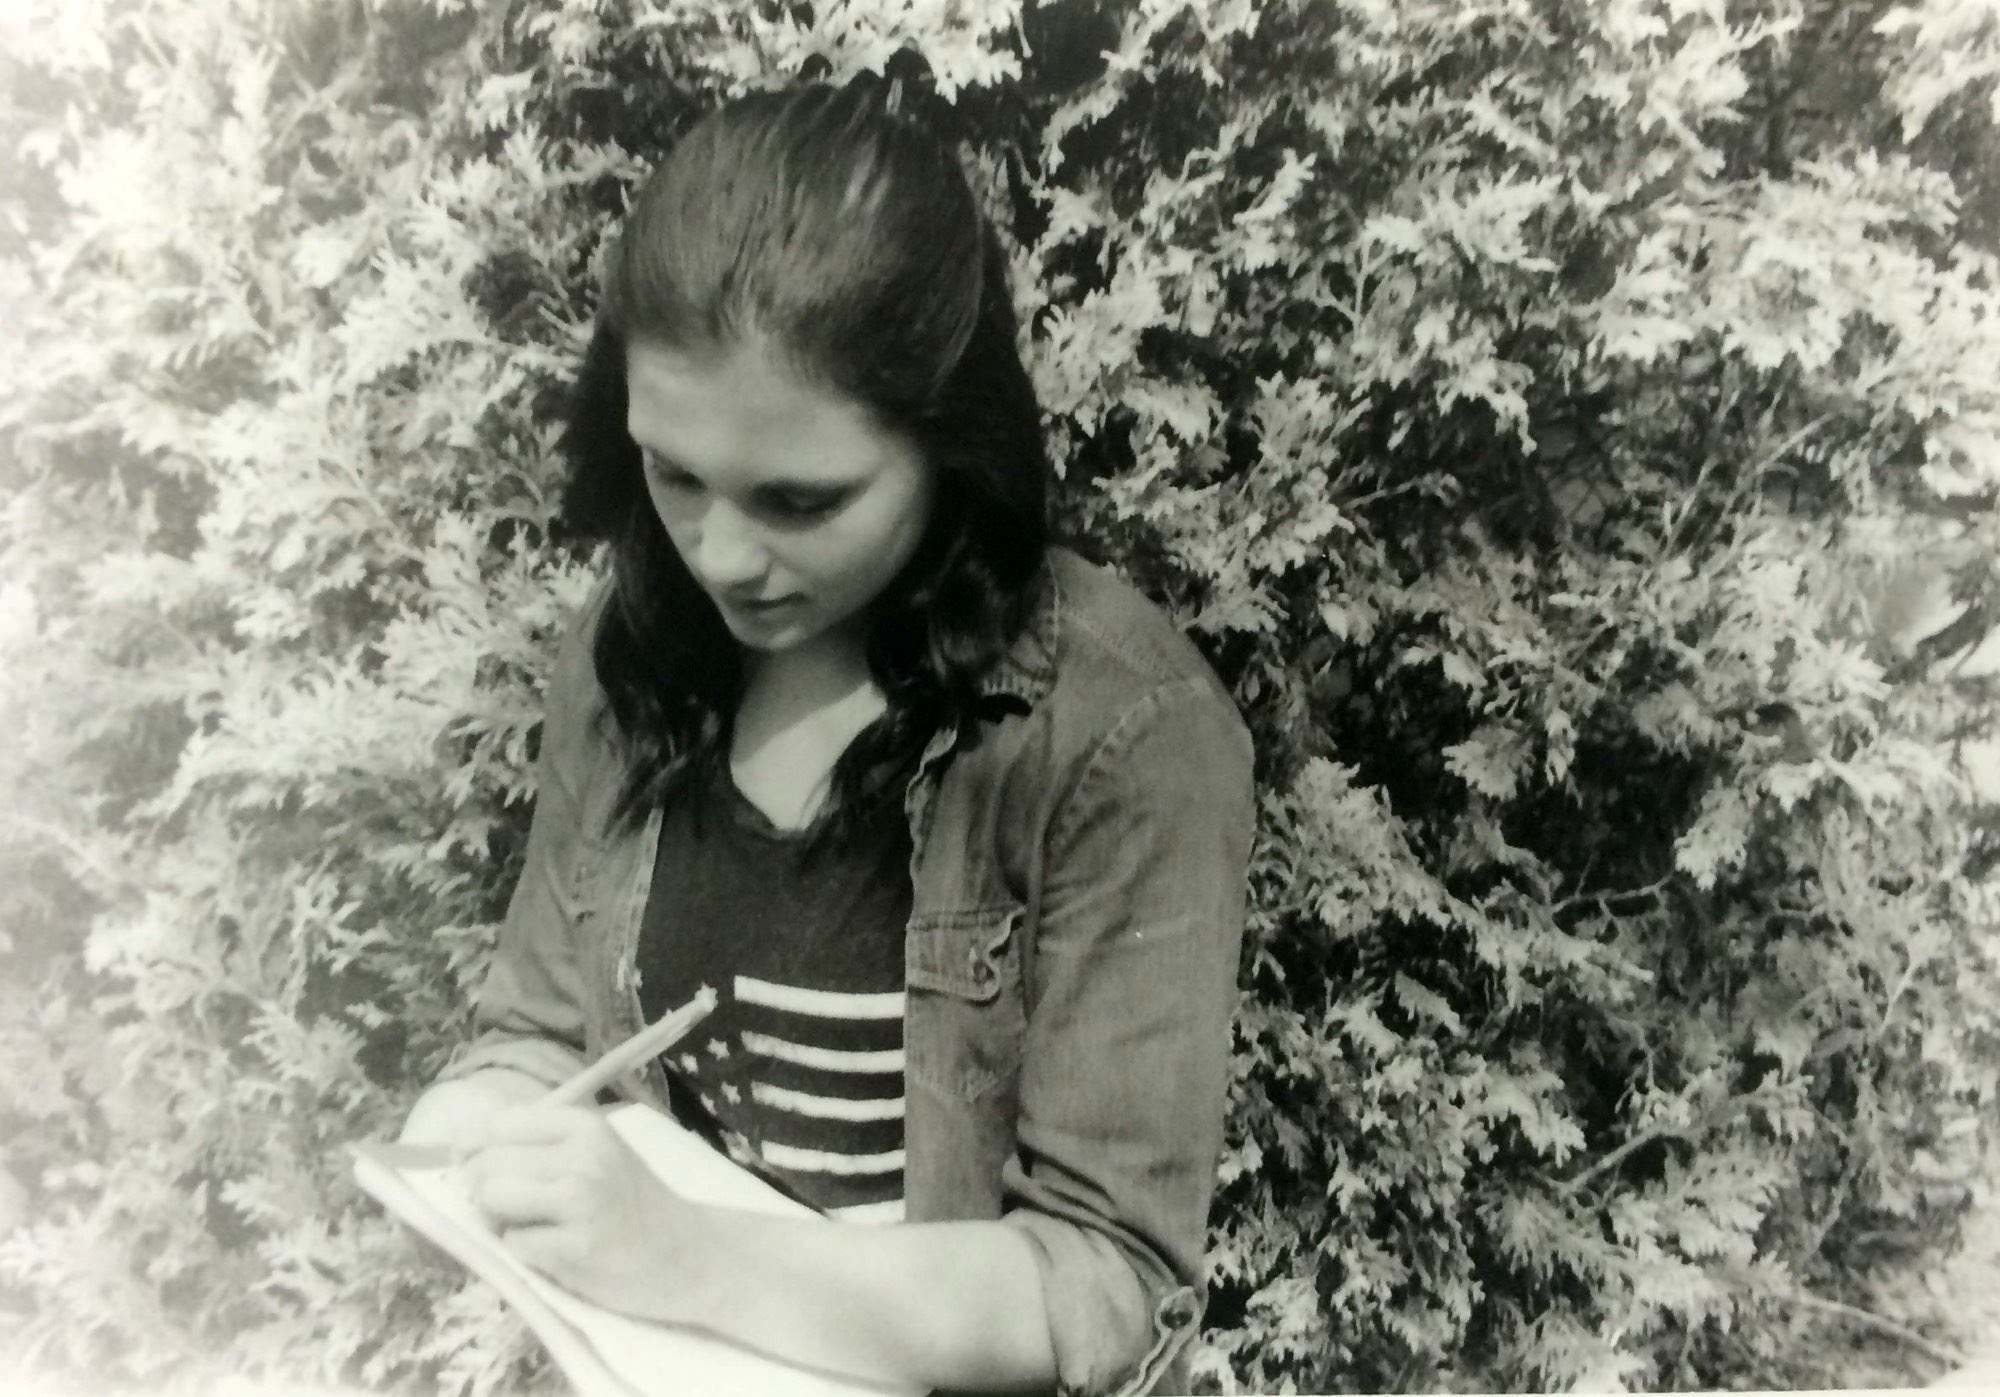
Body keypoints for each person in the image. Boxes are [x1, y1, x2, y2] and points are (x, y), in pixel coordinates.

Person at [398, 79, 1254, 1397]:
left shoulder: (1120, 730)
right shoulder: (636, 653)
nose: (720, 556)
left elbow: (1105, 1279)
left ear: (951, 442)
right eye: (675, 475)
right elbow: (541, 1027)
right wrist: (477, 1126)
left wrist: (692, 1259)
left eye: (800, 500)